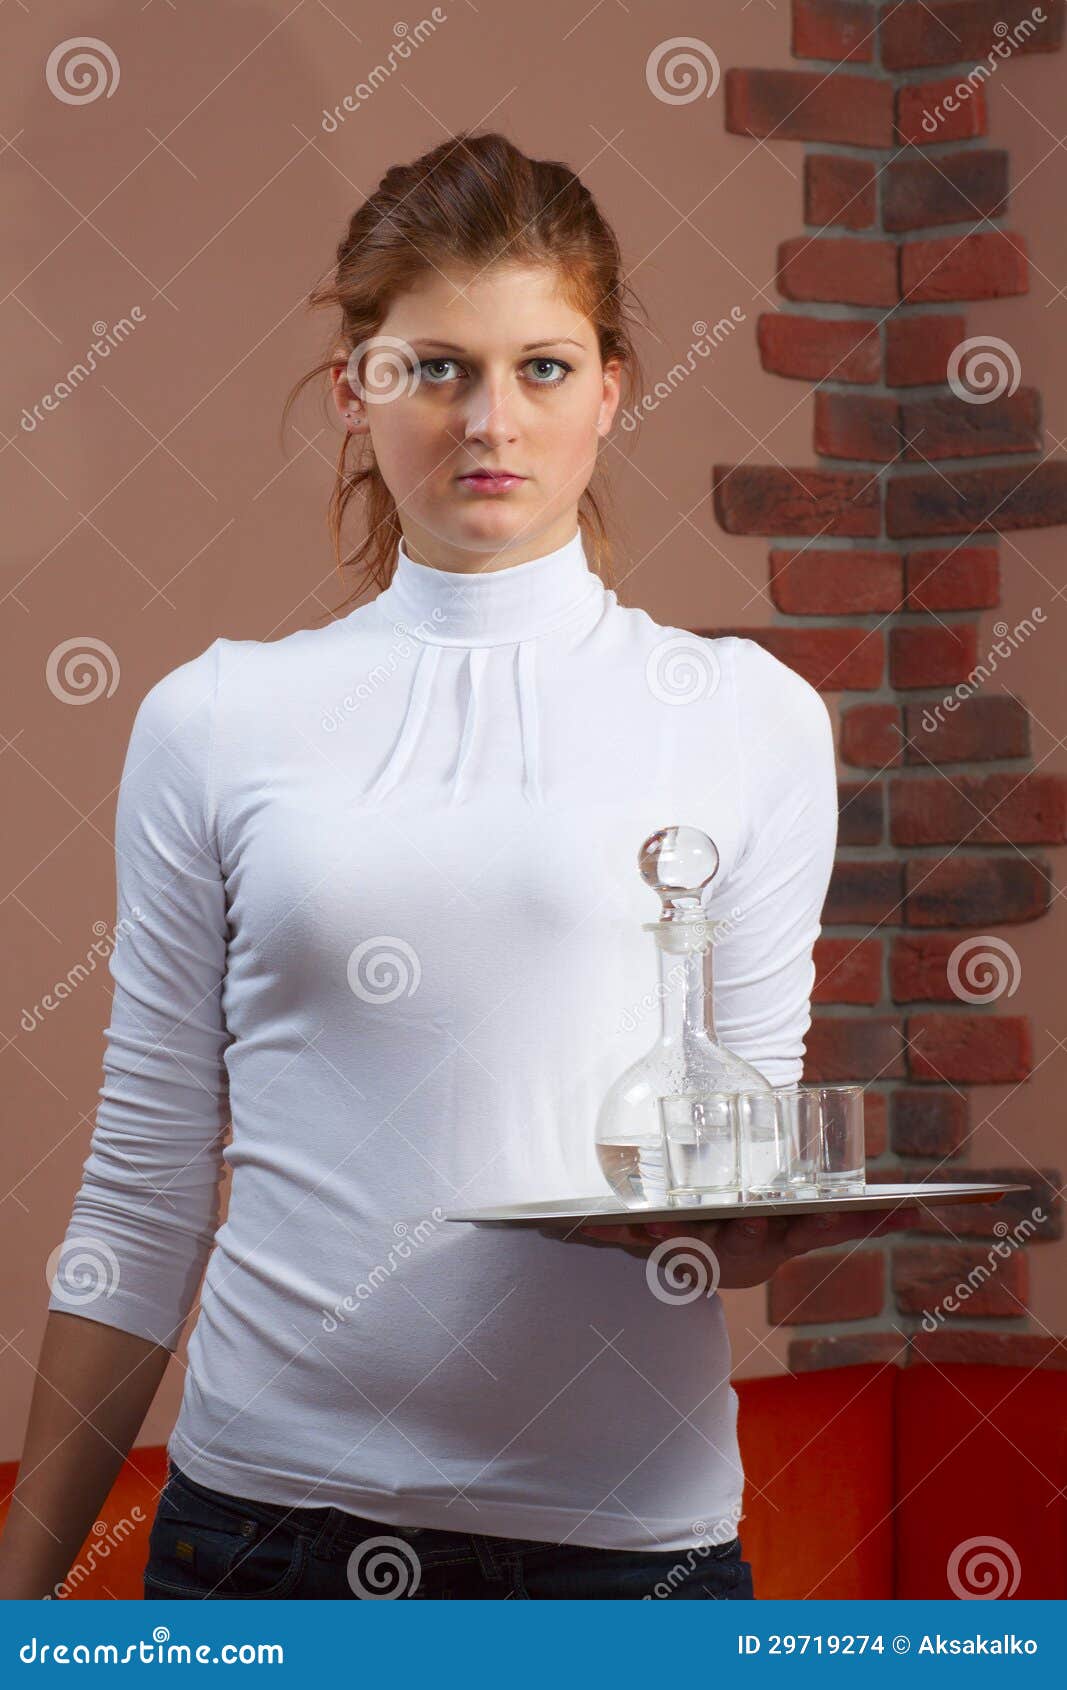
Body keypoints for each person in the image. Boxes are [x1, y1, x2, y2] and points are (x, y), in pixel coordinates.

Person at [0, 131, 919, 1603]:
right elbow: (139, 1198)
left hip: (628, 1559)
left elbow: (728, 1171)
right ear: (358, 389)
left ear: (611, 390)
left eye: (542, 367)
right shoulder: (217, 717)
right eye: (434, 366)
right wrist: (16, 1605)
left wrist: (749, 1221)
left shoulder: (752, 720)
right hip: (263, 1542)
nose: (490, 418)